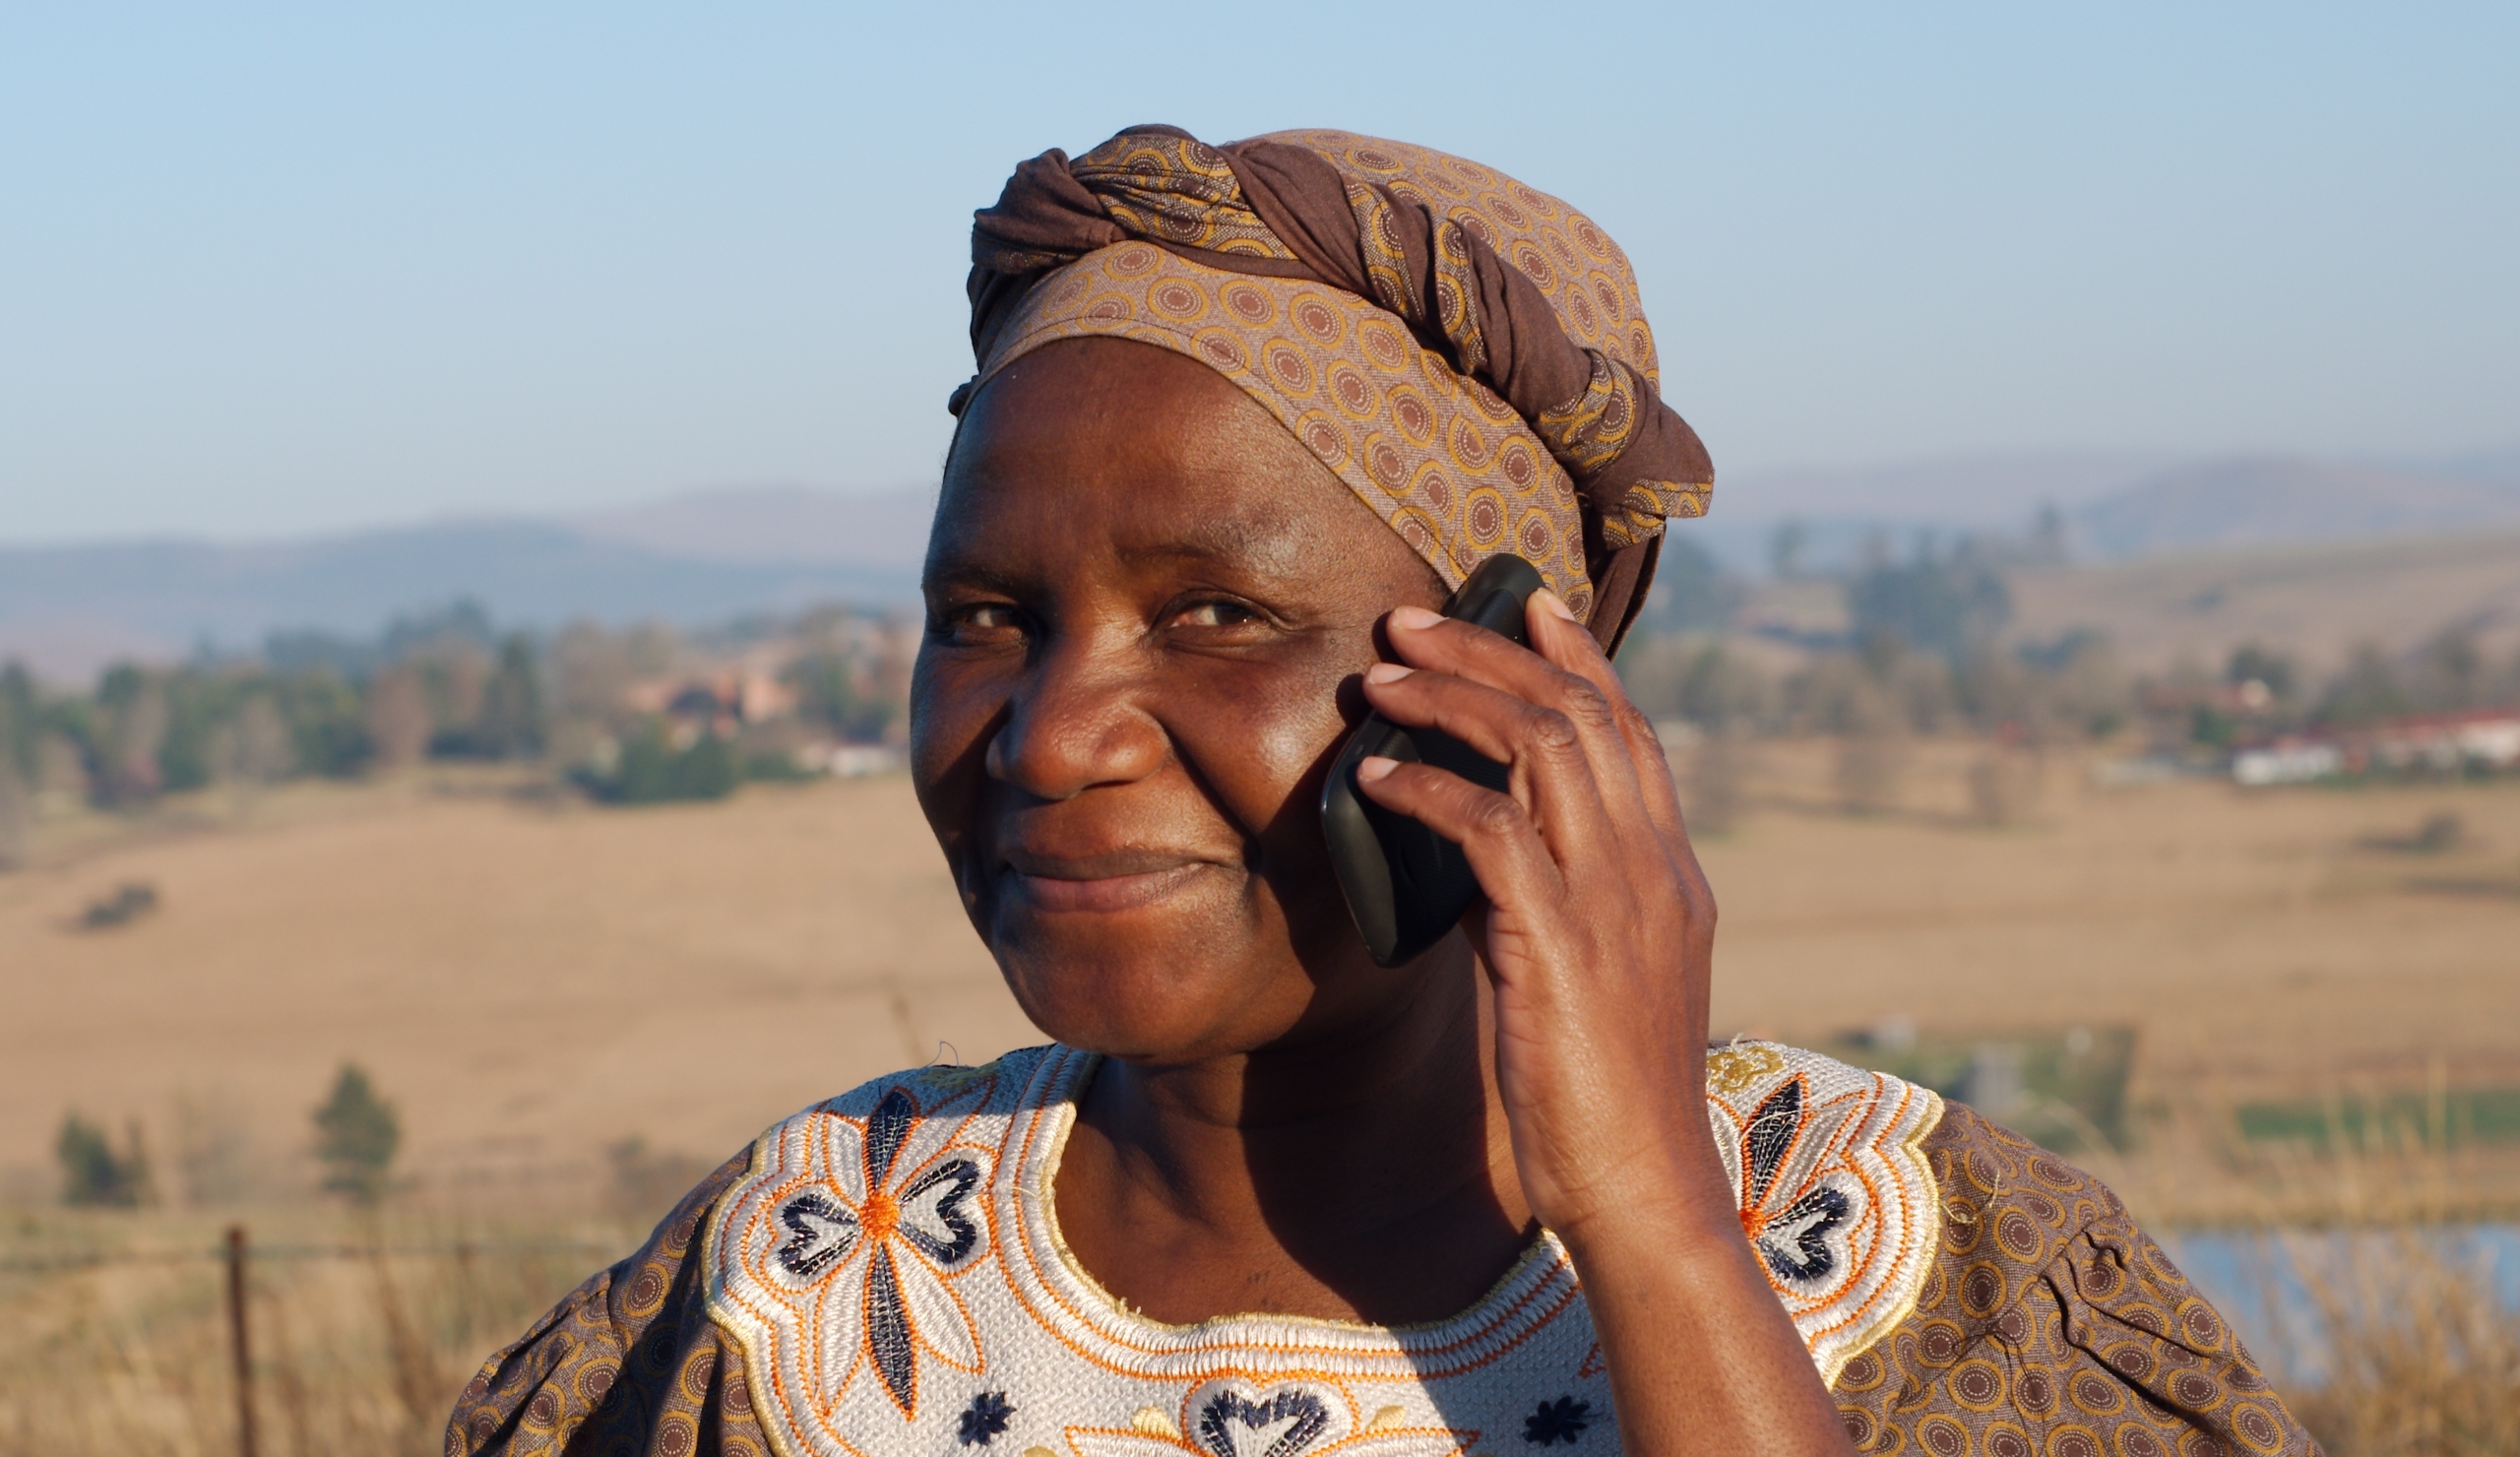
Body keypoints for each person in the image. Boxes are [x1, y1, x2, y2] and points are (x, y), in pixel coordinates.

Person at [448, 128, 2316, 1457]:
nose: (1050, 737)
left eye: (1214, 614)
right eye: (989, 617)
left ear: (1520, 678)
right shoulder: (794, 1301)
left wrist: (1657, 1226)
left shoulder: (1922, 1274)